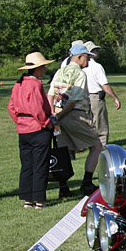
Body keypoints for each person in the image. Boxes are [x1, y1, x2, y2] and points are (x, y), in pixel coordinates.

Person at [48, 44, 103, 197]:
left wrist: (53, 113)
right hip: (74, 115)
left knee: (63, 151)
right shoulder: (80, 74)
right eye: (87, 57)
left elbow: (51, 93)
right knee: (96, 146)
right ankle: (86, 183)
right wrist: (60, 115)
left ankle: (63, 187)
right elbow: (74, 100)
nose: (89, 60)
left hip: (57, 114)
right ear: (79, 57)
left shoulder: (59, 72)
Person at [8, 52, 56, 208]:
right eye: (43, 67)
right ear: (38, 69)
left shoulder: (19, 83)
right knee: (40, 164)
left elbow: (11, 107)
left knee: (27, 164)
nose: (45, 69)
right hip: (37, 128)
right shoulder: (35, 84)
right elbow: (37, 108)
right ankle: (39, 199)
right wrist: (46, 122)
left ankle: (27, 198)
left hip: (23, 129)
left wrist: (19, 119)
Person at [82, 41, 121, 145]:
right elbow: (105, 85)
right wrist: (115, 98)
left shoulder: (81, 67)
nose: (97, 51)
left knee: (88, 123)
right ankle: (102, 146)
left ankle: (88, 144)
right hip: (95, 97)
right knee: (101, 125)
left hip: (83, 97)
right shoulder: (97, 66)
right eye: (94, 50)